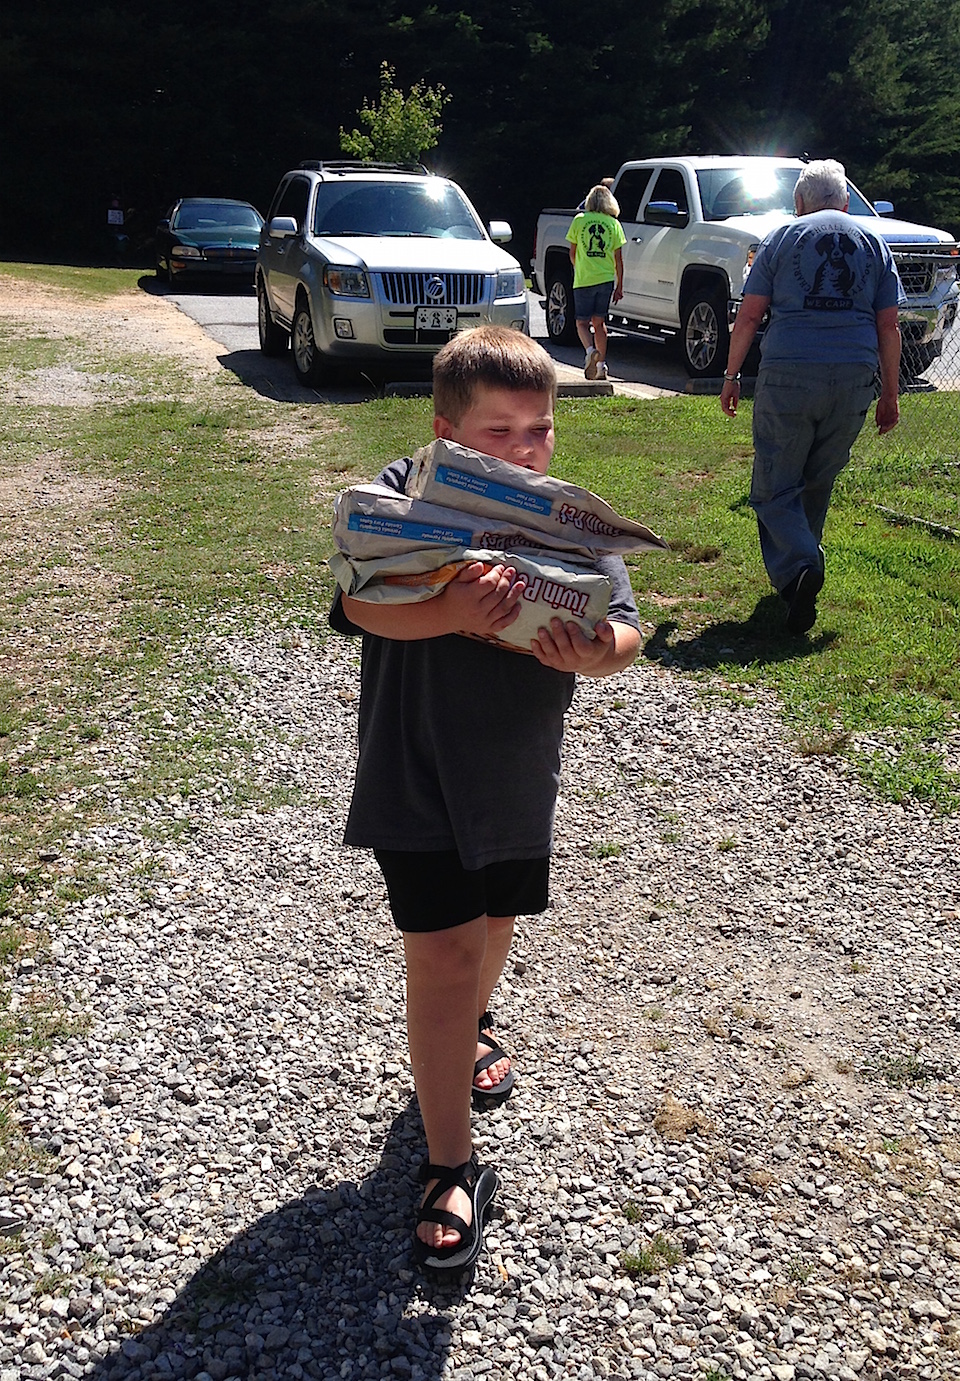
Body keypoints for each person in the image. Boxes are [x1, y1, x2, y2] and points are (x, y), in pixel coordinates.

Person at [329, 326, 642, 1273]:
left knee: (495, 922)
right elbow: (356, 604)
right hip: (414, 765)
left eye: (538, 429)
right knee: (444, 952)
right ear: (446, 430)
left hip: (513, 772)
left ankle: (474, 1025)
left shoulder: (565, 516)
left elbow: (629, 629)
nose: (524, 448)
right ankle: (449, 1163)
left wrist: (597, 650)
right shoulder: (403, 490)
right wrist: (452, 610)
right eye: (498, 431)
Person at [720, 158, 903, 634]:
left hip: (790, 374)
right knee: (818, 480)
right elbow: (889, 325)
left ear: (800, 202)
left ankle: (802, 564)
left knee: (774, 485)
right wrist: (890, 393)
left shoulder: (781, 237)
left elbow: (749, 316)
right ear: (845, 202)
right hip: (855, 376)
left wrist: (732, 374)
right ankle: (797, 581)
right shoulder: (875, 243)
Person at [566, 184, 626, 381]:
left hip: (584, 279)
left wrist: (580, 266)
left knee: (582, 322)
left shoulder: (579, 220)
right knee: (599, 324)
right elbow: (618, 259)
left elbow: (572, 252)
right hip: (606, 279)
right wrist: (620, 285)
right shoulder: (614, 224)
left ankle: (590, 351)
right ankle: (601, 366)